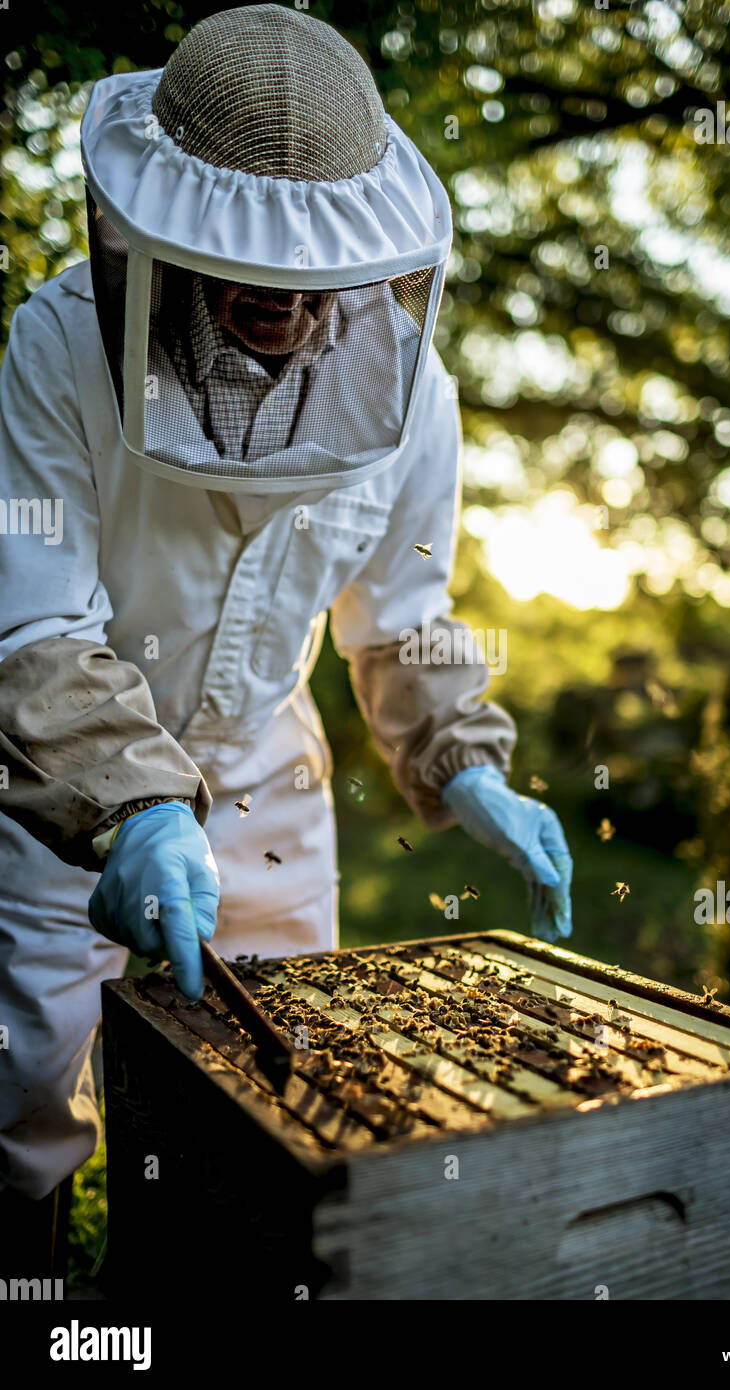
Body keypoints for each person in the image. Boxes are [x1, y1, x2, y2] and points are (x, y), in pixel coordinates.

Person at [0, 5, 572, 1272]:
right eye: (247, 263)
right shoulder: (57, 346)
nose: (286, 302)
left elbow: (403, 614)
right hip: (58, 799)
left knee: (270, 1108)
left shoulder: (416, 396)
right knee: (23, 1109)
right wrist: (135, 807)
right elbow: (31, 618)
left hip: (270, 786)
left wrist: (466, 763)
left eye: (313, 273)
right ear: (163, 232)